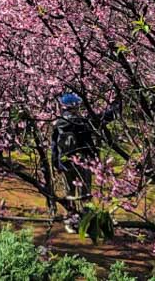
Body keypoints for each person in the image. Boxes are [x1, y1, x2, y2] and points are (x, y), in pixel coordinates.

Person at [51, 92, 121, 232]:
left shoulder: (57, 123)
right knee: (85, 193)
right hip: (83, 162)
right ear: (74, 106)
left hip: (65, 163)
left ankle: (70, 222)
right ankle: (85, 223)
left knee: (69, 192)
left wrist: (56, 164)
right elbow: (103, 118)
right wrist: (117, 106)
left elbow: (54, 146)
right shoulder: (81, 122)